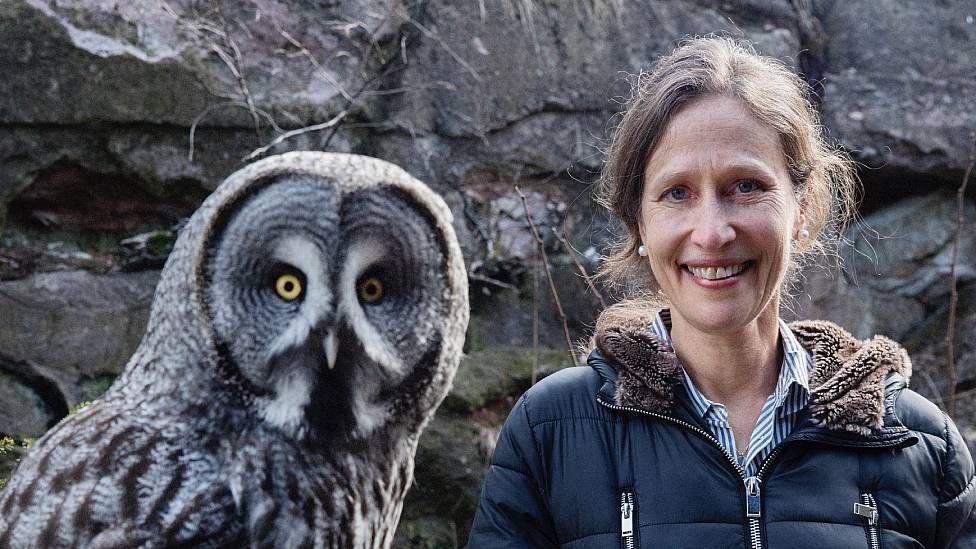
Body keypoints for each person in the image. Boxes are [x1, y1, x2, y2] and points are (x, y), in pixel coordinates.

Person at [468, 36, 976, 548]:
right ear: (638, 222)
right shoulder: (550, 431)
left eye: (746, 186)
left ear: (801, 208)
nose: (712, 233)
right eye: (677, 193)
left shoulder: (920, 444)